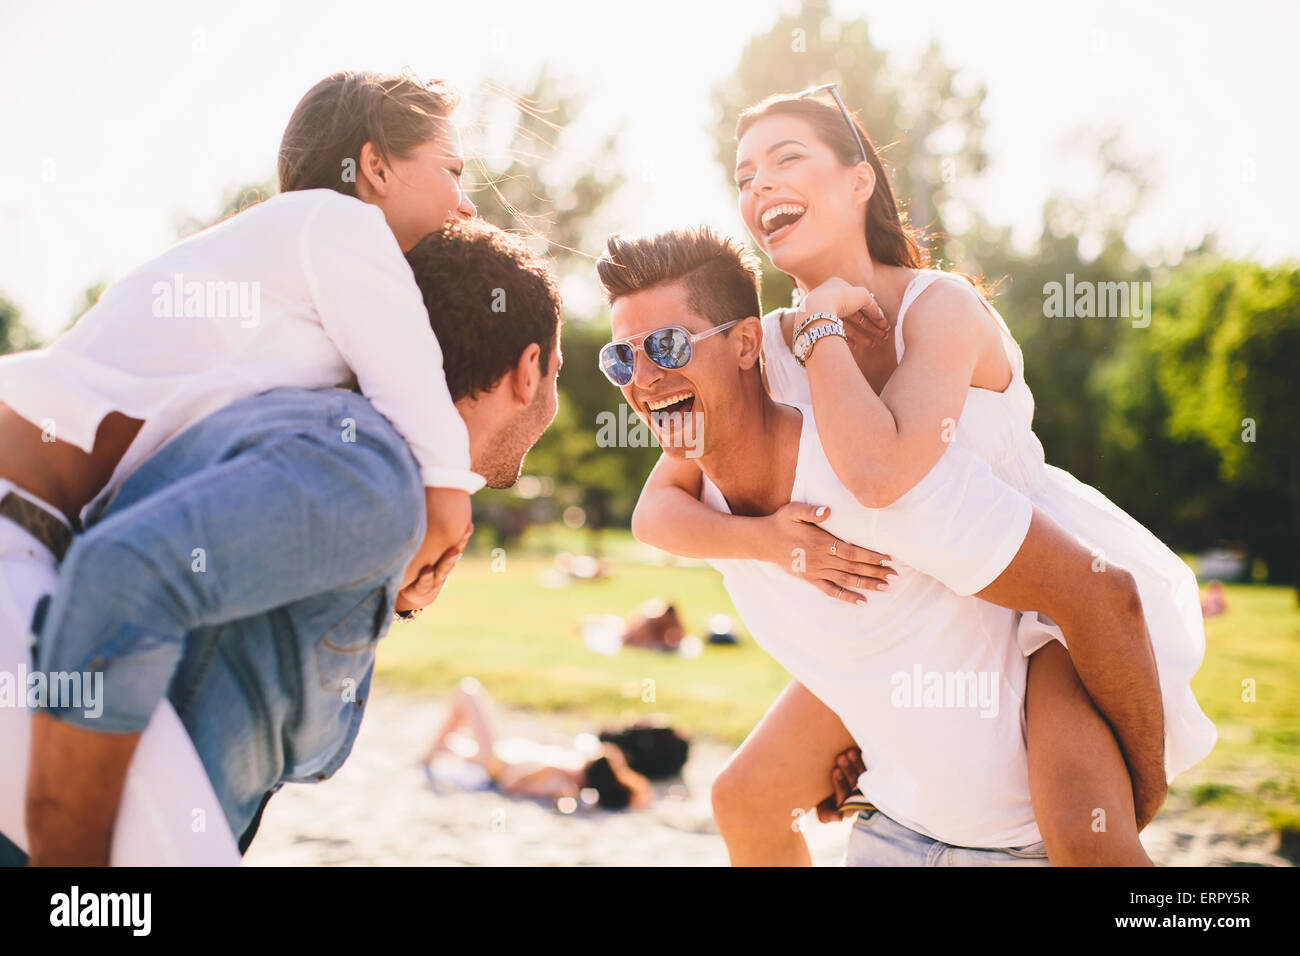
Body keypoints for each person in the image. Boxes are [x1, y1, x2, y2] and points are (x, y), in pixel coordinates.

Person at [626, 87, 1215, 863]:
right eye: (743, 176)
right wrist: (769, 540)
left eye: (785, 159)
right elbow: (658, 508)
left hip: (1030, 597)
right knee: (747, 797)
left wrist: (821, 328)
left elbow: (879, 472)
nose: (758, 185)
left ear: (859, 179)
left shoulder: (938, 309)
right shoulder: (758, 344)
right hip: (916, 604)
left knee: (1090, 839)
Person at [0, 70, 488, 863]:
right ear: (376, 168)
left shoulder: (270, 268)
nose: (467, 205)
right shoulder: (340, 225)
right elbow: (421, 413)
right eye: (455, 172)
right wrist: (445, 525)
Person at [422, 678, 653, 810]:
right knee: (464, 706)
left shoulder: (561, 782)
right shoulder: (572, 761)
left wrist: (549, 769)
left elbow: (511, 784)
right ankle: (433, 752)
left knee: (469, 692)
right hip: (497, 751)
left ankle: (432, 752)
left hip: (492, 763)